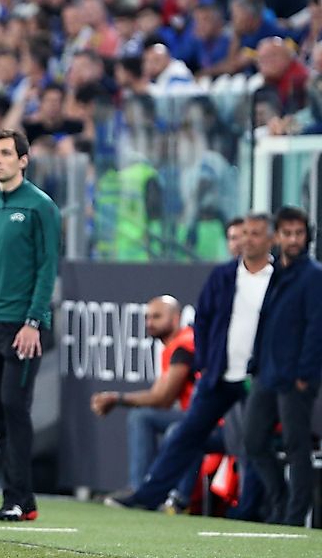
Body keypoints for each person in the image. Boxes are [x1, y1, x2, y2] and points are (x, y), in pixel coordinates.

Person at [107, 213, 274, 512]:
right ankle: (148, 496)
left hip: (257, 377)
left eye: (254, 234)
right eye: (241, 234)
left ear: (269, 239)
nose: (246, 240)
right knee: (185, 435)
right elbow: (207, 320)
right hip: (221, 375)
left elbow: (162, 396)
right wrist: (210, 364)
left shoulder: (277, 279)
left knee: (252, 444)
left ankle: (252, 510)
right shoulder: (223, 276)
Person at [0, 129, 61, 522]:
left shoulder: (41, 207)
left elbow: (47, 268)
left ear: (24, 159)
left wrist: (34, 321)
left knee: (14, 407)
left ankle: (19, 498)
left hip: (21, 325)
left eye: (5, 153)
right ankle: (19, 497)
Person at [244, 206, 322, 526]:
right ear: (277, 236)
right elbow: (266, 320)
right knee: (253, 441)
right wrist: (256, 361)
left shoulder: (314, 275)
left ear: (307, 236)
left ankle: (293, 516)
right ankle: (280, 502)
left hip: (295, 378)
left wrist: (305, 374)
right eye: (287, 233)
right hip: (268, 372)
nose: (293, 240)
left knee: (296, 445)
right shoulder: (277, 273)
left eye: (299, 233)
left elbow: (317, 327)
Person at [91, 296, 199, 493]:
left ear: (175, 319)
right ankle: (146, 489)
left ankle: (140, 489)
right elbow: (159, 396)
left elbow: (163, 398)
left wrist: (116, 398)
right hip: (195, 415)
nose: (149, 323)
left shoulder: (184, 345)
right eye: (147, 318)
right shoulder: (174, 347)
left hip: (210, 419)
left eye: (156, 317)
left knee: (142, 418)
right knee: (147, 418)